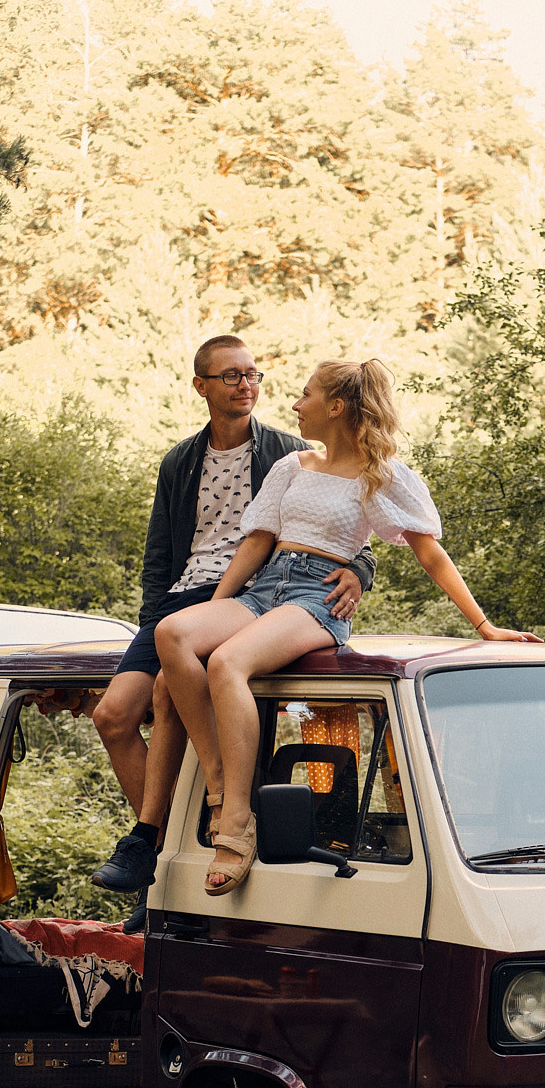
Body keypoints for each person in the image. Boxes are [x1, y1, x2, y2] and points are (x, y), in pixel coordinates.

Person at [156, 358, 538, 891]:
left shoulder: (379, 475)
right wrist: (214, 611)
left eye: (305, 394)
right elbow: (257, 542)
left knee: (228, 662)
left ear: (335, 407)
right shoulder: (293, 466)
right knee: (174, 633)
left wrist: (484, 625)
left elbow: (431, 556)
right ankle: (219, 782)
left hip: (318, 598)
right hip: (266, 585)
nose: (294, 404)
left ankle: (236, 824)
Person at [89, 336, 375, 921]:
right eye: (231, 376)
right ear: (202, 387)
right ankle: (167, 838)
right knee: (114, 715)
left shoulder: (292, 451)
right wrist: (154, 621)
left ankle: (156, 851)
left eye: (253, 374)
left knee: (171, 698)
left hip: (259, 588)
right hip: (187, 596)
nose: (246, 385)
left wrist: (360, 572)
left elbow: (344, 523)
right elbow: (159, 552)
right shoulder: (181, 459)